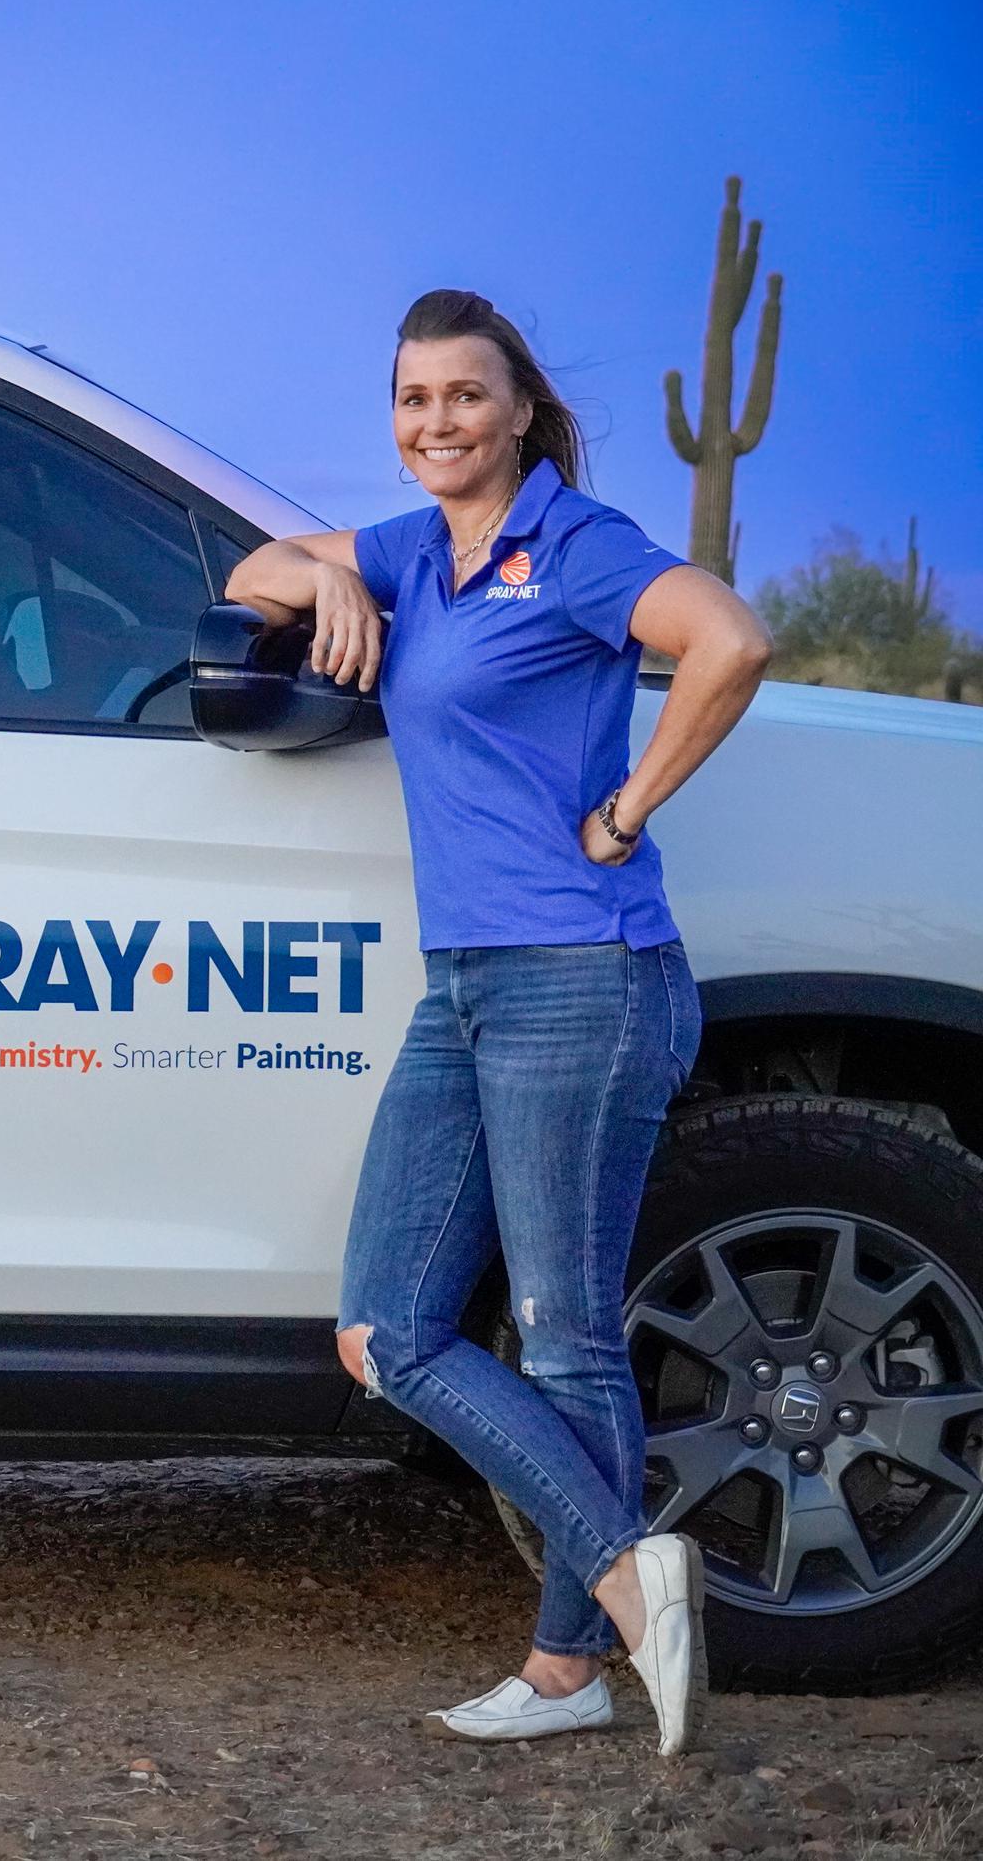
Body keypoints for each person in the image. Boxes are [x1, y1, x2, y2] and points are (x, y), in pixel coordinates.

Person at [226, 290, 771, 1754]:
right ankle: (623, 1585)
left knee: (567, 1335)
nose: (436, 424)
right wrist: (330, 588)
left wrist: (630, 805)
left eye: (465, 396)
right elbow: (251, 564)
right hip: (465, 981)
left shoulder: (574, 545)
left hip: (585, 976)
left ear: (521, 408)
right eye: (412, 400)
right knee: (387, 1328)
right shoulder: (418, 548)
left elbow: (728, 637)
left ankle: (569, 1661)